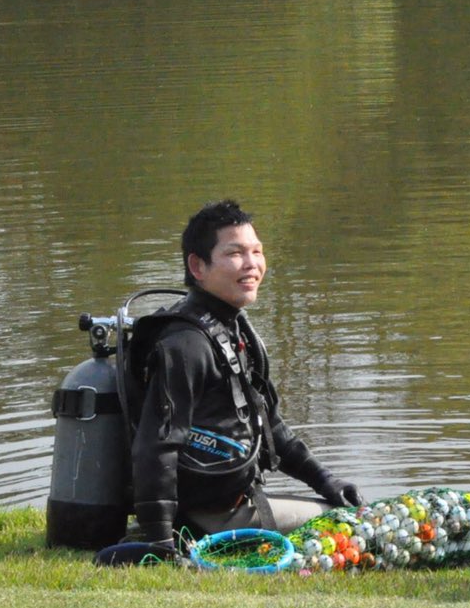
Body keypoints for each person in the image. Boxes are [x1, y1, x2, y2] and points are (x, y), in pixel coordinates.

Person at [117, 199, 361, 556]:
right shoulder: (185, 345)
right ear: (197, 266)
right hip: (212, 517)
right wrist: (160, 542)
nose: (252, 264)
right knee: (347, 525)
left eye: (257, 251)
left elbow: (271, 427)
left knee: (341, 510)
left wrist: (326, 480)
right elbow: (156, 447)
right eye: (235, 253)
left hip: (230, 503)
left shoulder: (230, 329)